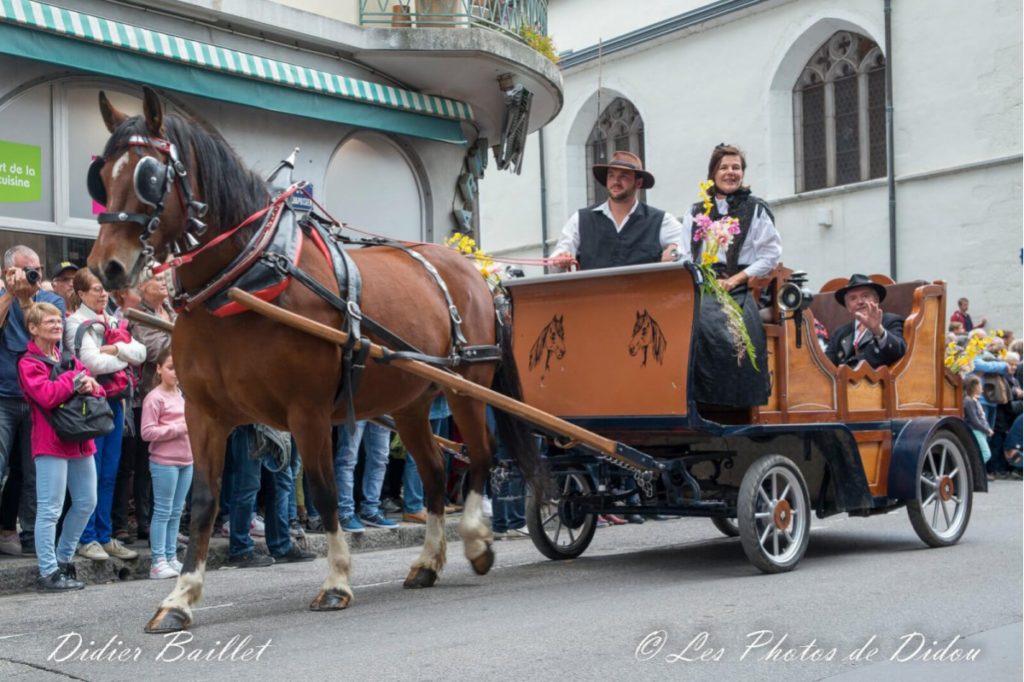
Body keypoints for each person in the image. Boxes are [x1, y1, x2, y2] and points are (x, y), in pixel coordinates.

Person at [683, 143, 782, 407]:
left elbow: (770, 255)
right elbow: (685, 254)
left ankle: (725, 400)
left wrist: (737, 279)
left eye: (736, 167)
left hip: (738, 283)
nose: (730, 172)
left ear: (743, 173)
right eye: (724, 167)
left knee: (715, 324)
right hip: (702, 282)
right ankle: (689, 395)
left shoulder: (755, 208)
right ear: (713, 173)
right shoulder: (696, 211)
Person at [18, 302, 102, 591]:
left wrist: (90, 385)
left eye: (58, 320)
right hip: (50, 443)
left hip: (80, 441)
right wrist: (75, 379)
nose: (57, 325)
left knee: (87, 502)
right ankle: (48, 572)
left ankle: (64, 559)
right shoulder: (28, 363)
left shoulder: (67, 357)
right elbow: (47, 395)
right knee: (50, 509)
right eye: (49, 322)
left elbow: (96, 387)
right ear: (33, 328)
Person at [64, 269, 146, 562]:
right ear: (82, 293)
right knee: (92, 473)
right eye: (97, 289)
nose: (103, 294)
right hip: (90, 404)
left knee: (110, 473)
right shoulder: (75, 322)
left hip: (114, 403)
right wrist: (123, 356)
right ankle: (85, 538)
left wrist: (117, 348)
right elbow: (91, 362)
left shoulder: (111, 319)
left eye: (104, 289)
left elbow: (142, 353)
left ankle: (104, 535)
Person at [0, 246, 66, 558]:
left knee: (33, 471)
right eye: (26, 270)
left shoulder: (52, 301)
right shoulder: (4, 295)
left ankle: (30, 535)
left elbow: (45, 338)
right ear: (6, 272)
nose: (33, 276)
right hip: (3, 395)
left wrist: (27, 300)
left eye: (37, 269)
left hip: (38, 399)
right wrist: (10, 295)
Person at [550, 150, 684, 270]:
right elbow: (555, 262)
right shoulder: (581, 219)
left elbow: (691, 245)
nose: (616, 181)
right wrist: (560, 260)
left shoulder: (660, 220)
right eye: (611, 176)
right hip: (593, 297)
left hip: (644, 297)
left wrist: (674, 252)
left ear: (638, 183)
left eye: (624, 176)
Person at [224, 425, 315, 568]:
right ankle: (240, 550)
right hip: (250, 422)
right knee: (247, 486)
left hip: (276, 425)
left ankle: (281, 546)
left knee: (282, 483)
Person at [140, 348, 192, 579]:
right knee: (162, 510)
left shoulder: (182, 394)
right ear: (159, 369)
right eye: (171, 367)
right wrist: (179, 428)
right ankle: (157, 560)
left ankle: (171, 556)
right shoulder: (154, 398)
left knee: (176, 512)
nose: (176, 372)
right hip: (164, 462)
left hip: (187, 460)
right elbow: (147, 432)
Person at [825, 274, 906, 369]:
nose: (860, 302)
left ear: (876, 300)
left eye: (865, 296)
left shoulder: (891, 321)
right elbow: (826, 366)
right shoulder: (839, 334)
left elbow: (900, 352)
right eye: (853, 298)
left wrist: (878, 330)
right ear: (848, 306)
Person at [335, 421, 400, 532]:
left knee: (380, 459)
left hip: (382, 406)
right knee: (347, 459)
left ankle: (370, 511)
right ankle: (345, 513)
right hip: (356, 407)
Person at [962, 375, 993, 477]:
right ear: (974, 386)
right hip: (975, 430)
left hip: (979, 430)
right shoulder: (969, 401)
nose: (981, 387)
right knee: (985, 453)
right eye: (979, 385)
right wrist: (986, 430)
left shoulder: (973, 400)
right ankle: (971, 471)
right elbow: (974, 420)